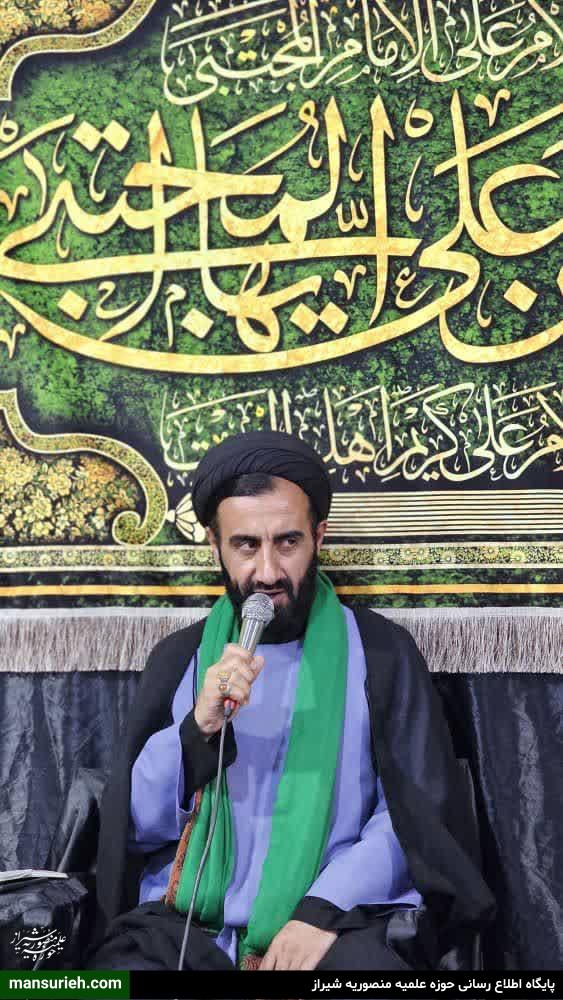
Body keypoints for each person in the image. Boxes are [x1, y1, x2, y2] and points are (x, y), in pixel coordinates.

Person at [86, 431, 495, 972]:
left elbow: (414, 820)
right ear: (214, 545)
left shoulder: (381, 654)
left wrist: (322, 910)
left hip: (335, 922)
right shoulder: (180, 659)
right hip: (183, 932)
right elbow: (133, 829)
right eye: (245, 545)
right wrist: (195, 732)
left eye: (287, 542)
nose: (268, 573)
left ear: (318, 536)